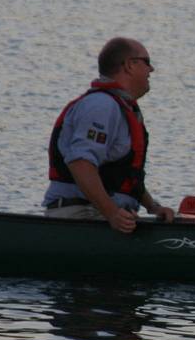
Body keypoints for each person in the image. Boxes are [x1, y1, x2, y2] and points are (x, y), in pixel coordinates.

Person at [43, 37, 174, 233]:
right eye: (147, 62)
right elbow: (81, 163)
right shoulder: (101, 106)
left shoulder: (122, 107)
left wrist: (153, 207)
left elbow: (125, 175)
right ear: (130, 65)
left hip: (103, 216)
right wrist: (112, 213)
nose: (151, 70)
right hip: (81, 216)